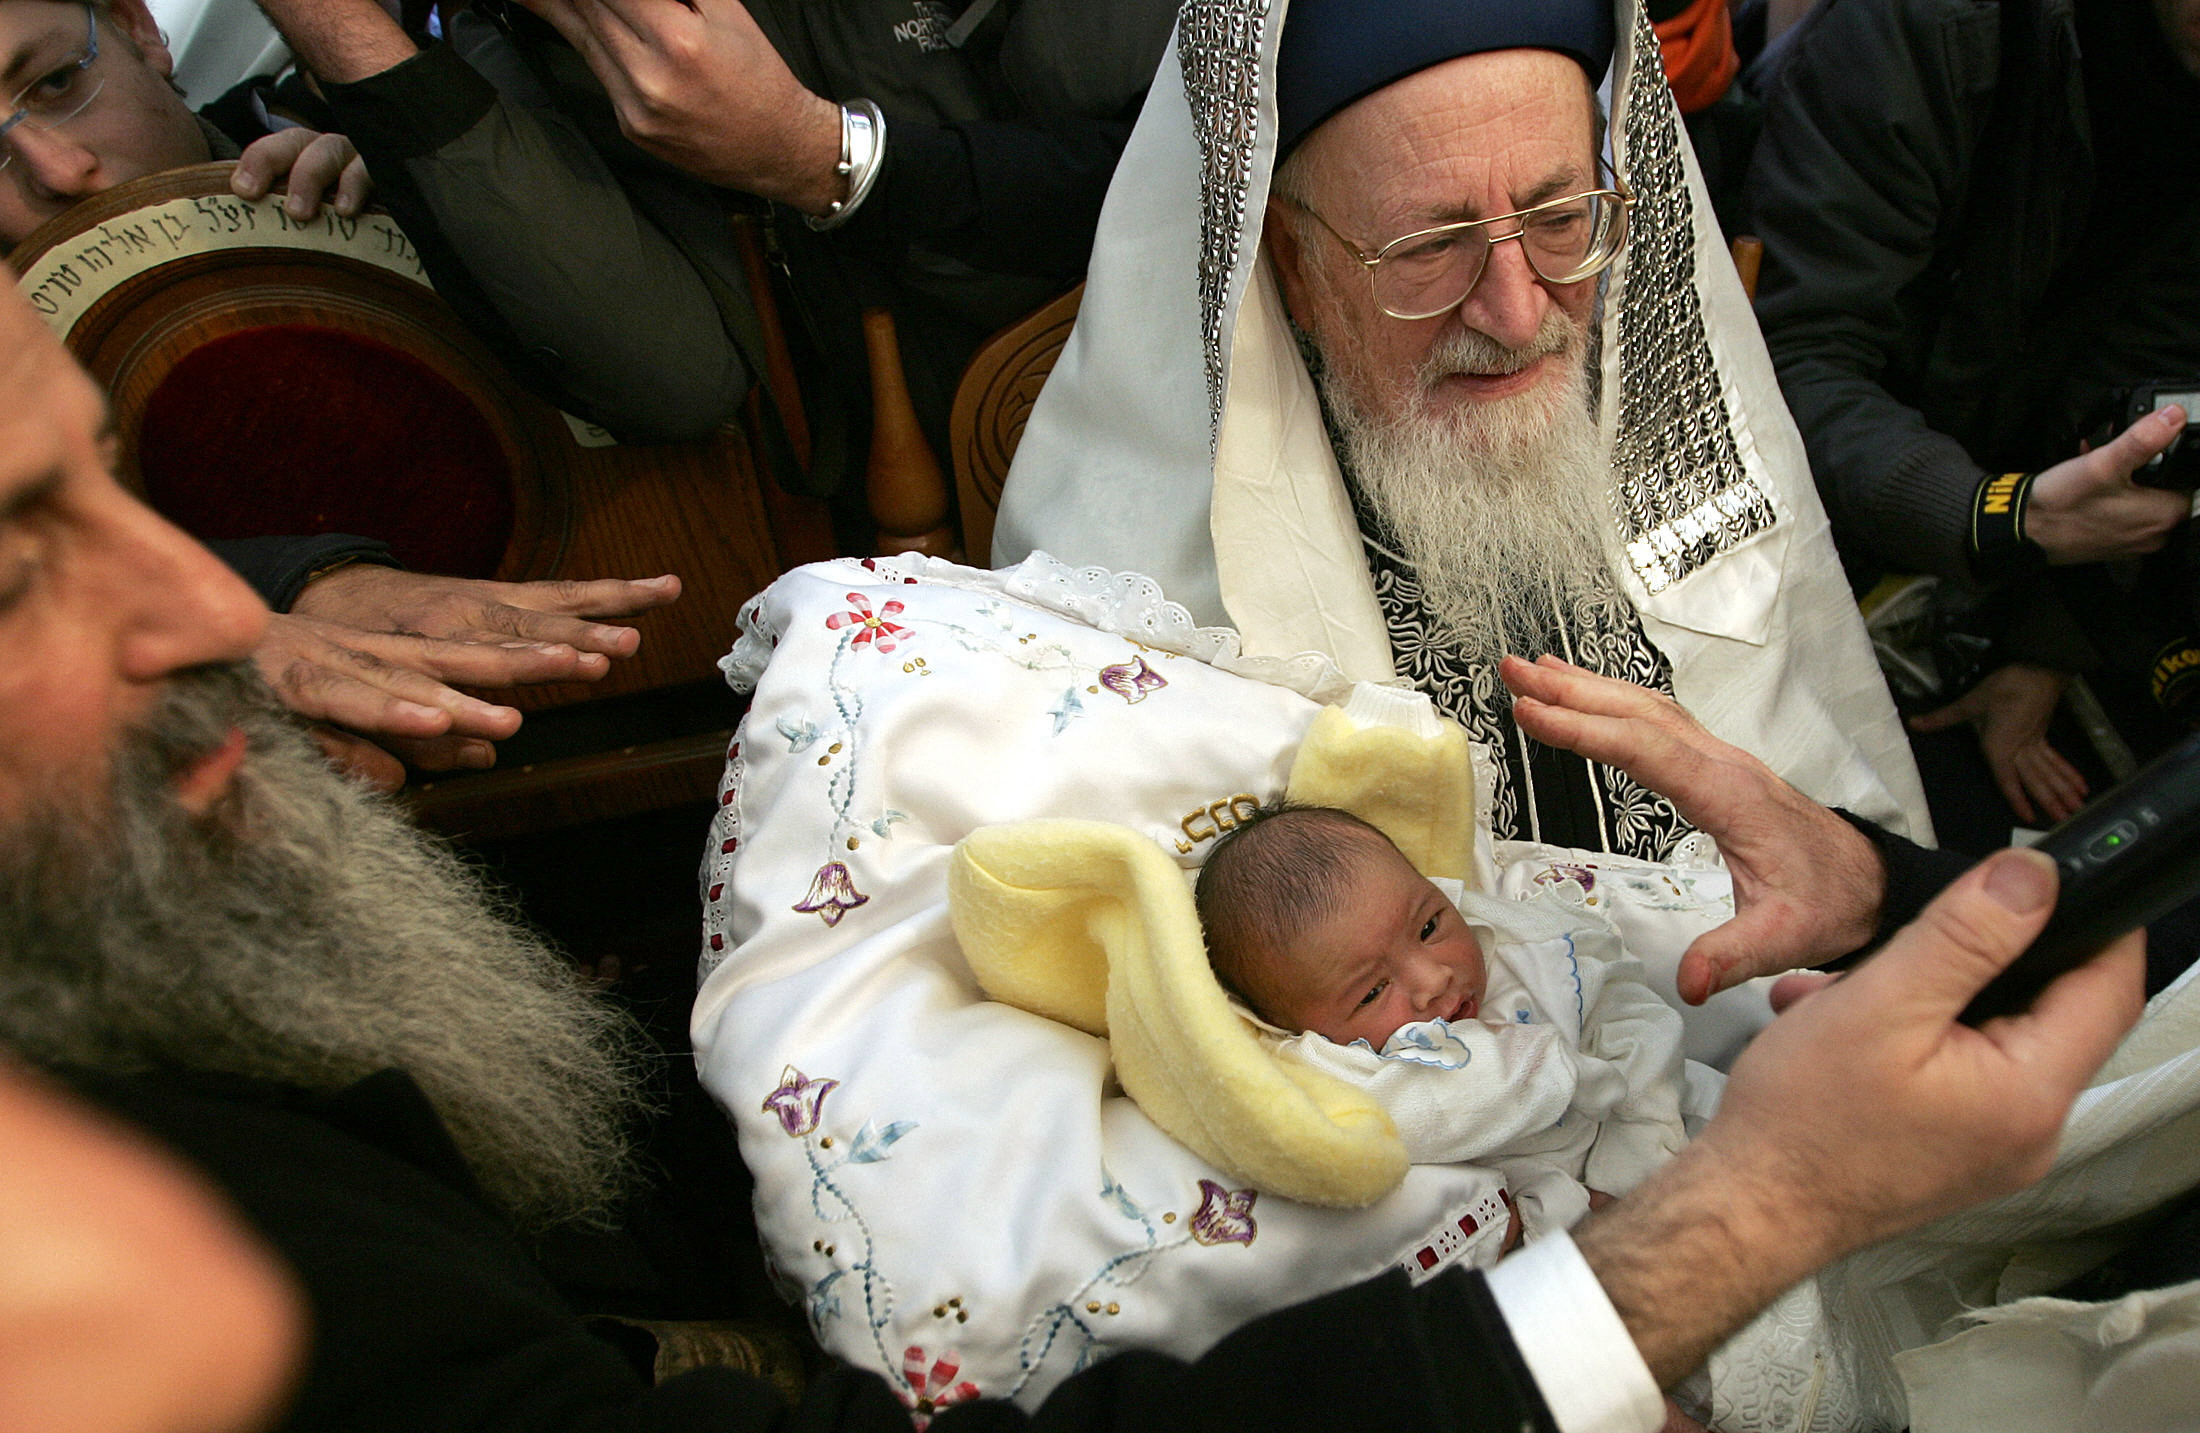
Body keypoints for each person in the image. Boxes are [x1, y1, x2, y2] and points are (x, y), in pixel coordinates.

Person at [0, 272, 2150, 1430]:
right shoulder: (139, 1287)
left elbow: (1581, 921)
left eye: (1564, 222)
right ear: (1275, 257)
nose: (221, 617)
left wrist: (1858, 875)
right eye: (20, 567)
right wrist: (1734, 1209)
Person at [995, 0, 1930, 867]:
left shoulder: (1668, 414)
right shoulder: (1136, 586)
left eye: (1561, 219)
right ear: (1292, 257)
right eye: (1431, 249)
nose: (1519, 317)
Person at [248, 0, 1174, 495]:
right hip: (861, 587)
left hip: (1178, 460)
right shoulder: (496, 32)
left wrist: (822, 156)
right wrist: (353, 41)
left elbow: (1199, 171)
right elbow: (672, 375)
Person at [1747, 0, 2200, 828]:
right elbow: (1793, 360)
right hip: (1769, 505)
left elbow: (2144, 385)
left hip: (2015, 540)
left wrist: (2047, 642)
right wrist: (1995, 518)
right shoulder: (1925, 26)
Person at [1197, 802, 1687, 1236]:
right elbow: (1399, 1126)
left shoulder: (1524, 949)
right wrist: (1558, 1074)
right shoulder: (1328, 1072)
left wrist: (1643, 1145)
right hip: (1540, 1228)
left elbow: (1635, 1013)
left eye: (1429, 926)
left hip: (1658, 1148)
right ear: (1296, 1026)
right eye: (1371, 991)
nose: (1434, 979)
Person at [0, 0, 367, 248]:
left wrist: (401, 215)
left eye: (56, 82)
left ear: (133, 28)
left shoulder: (366, 153)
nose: (60, 174)